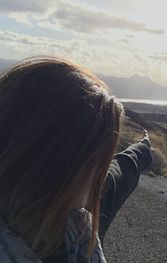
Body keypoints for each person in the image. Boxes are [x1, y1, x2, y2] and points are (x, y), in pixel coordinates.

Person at [0, 57, 152, 263]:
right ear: (61, 165)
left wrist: (145, 146)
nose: (103, 172)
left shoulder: (72, 221)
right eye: (98, 158)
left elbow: (126, 166)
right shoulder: (79, 225)